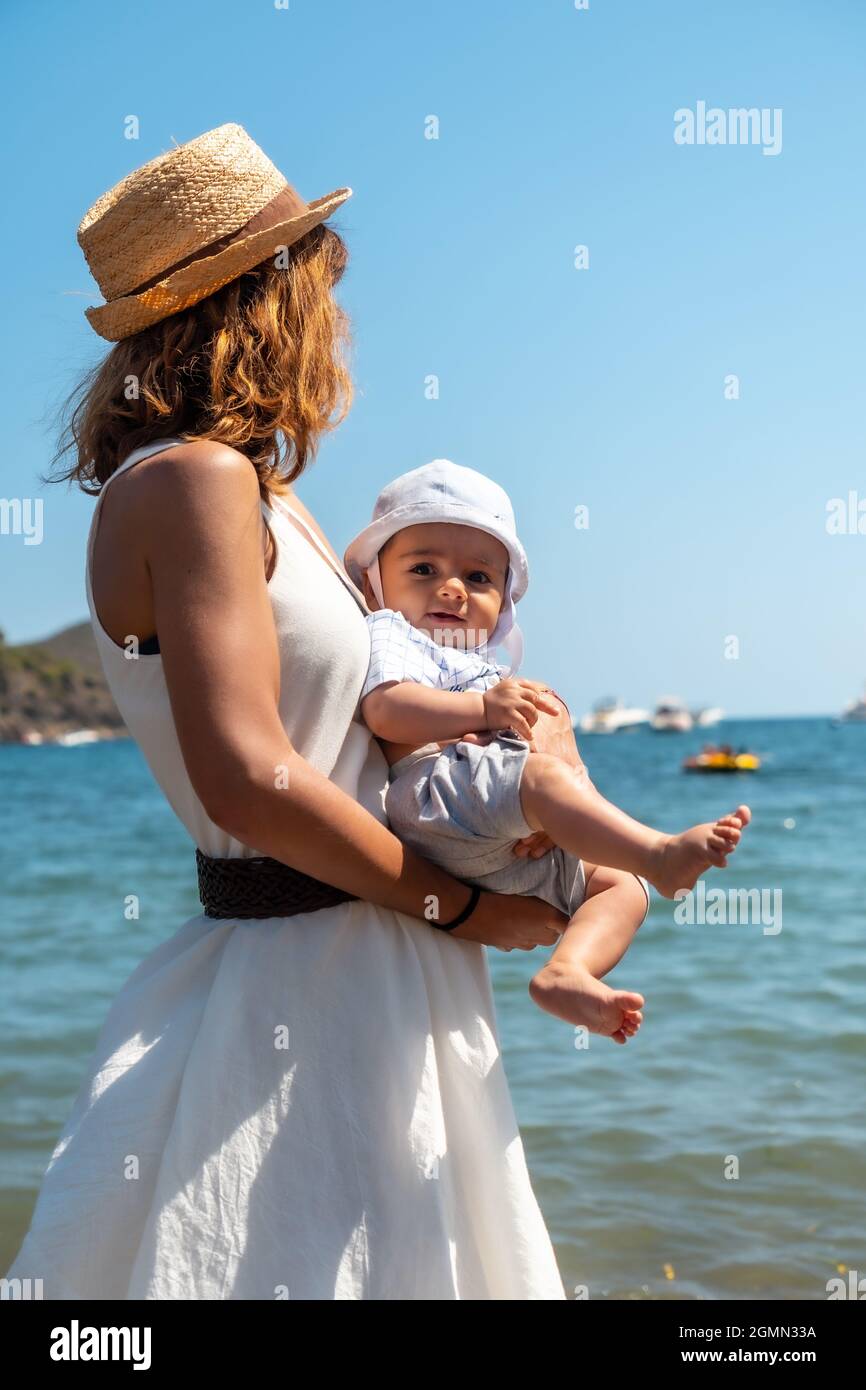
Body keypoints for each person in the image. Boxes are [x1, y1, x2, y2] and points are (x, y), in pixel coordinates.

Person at [5, 123, 583, 1300]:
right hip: (308, 976)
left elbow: (361, 730)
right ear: (265, 296)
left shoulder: (265, 495)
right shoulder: (191, 482)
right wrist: (459, 905)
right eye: (323, 279)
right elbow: (249, 780)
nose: (342, 319)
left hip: (369, 959)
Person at [344, 461, 751, 1042]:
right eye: (424, 568)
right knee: (546, 784)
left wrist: (553, 812)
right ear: (377, 582)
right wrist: (486, 713)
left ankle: (568, 970)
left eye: (479, 578)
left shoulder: (482, 665)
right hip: (433, 796)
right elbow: (387, 710)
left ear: (503, 600)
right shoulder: (394, 632)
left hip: (497, 842)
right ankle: (659, 854)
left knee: (618, 886)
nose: (453, 588)